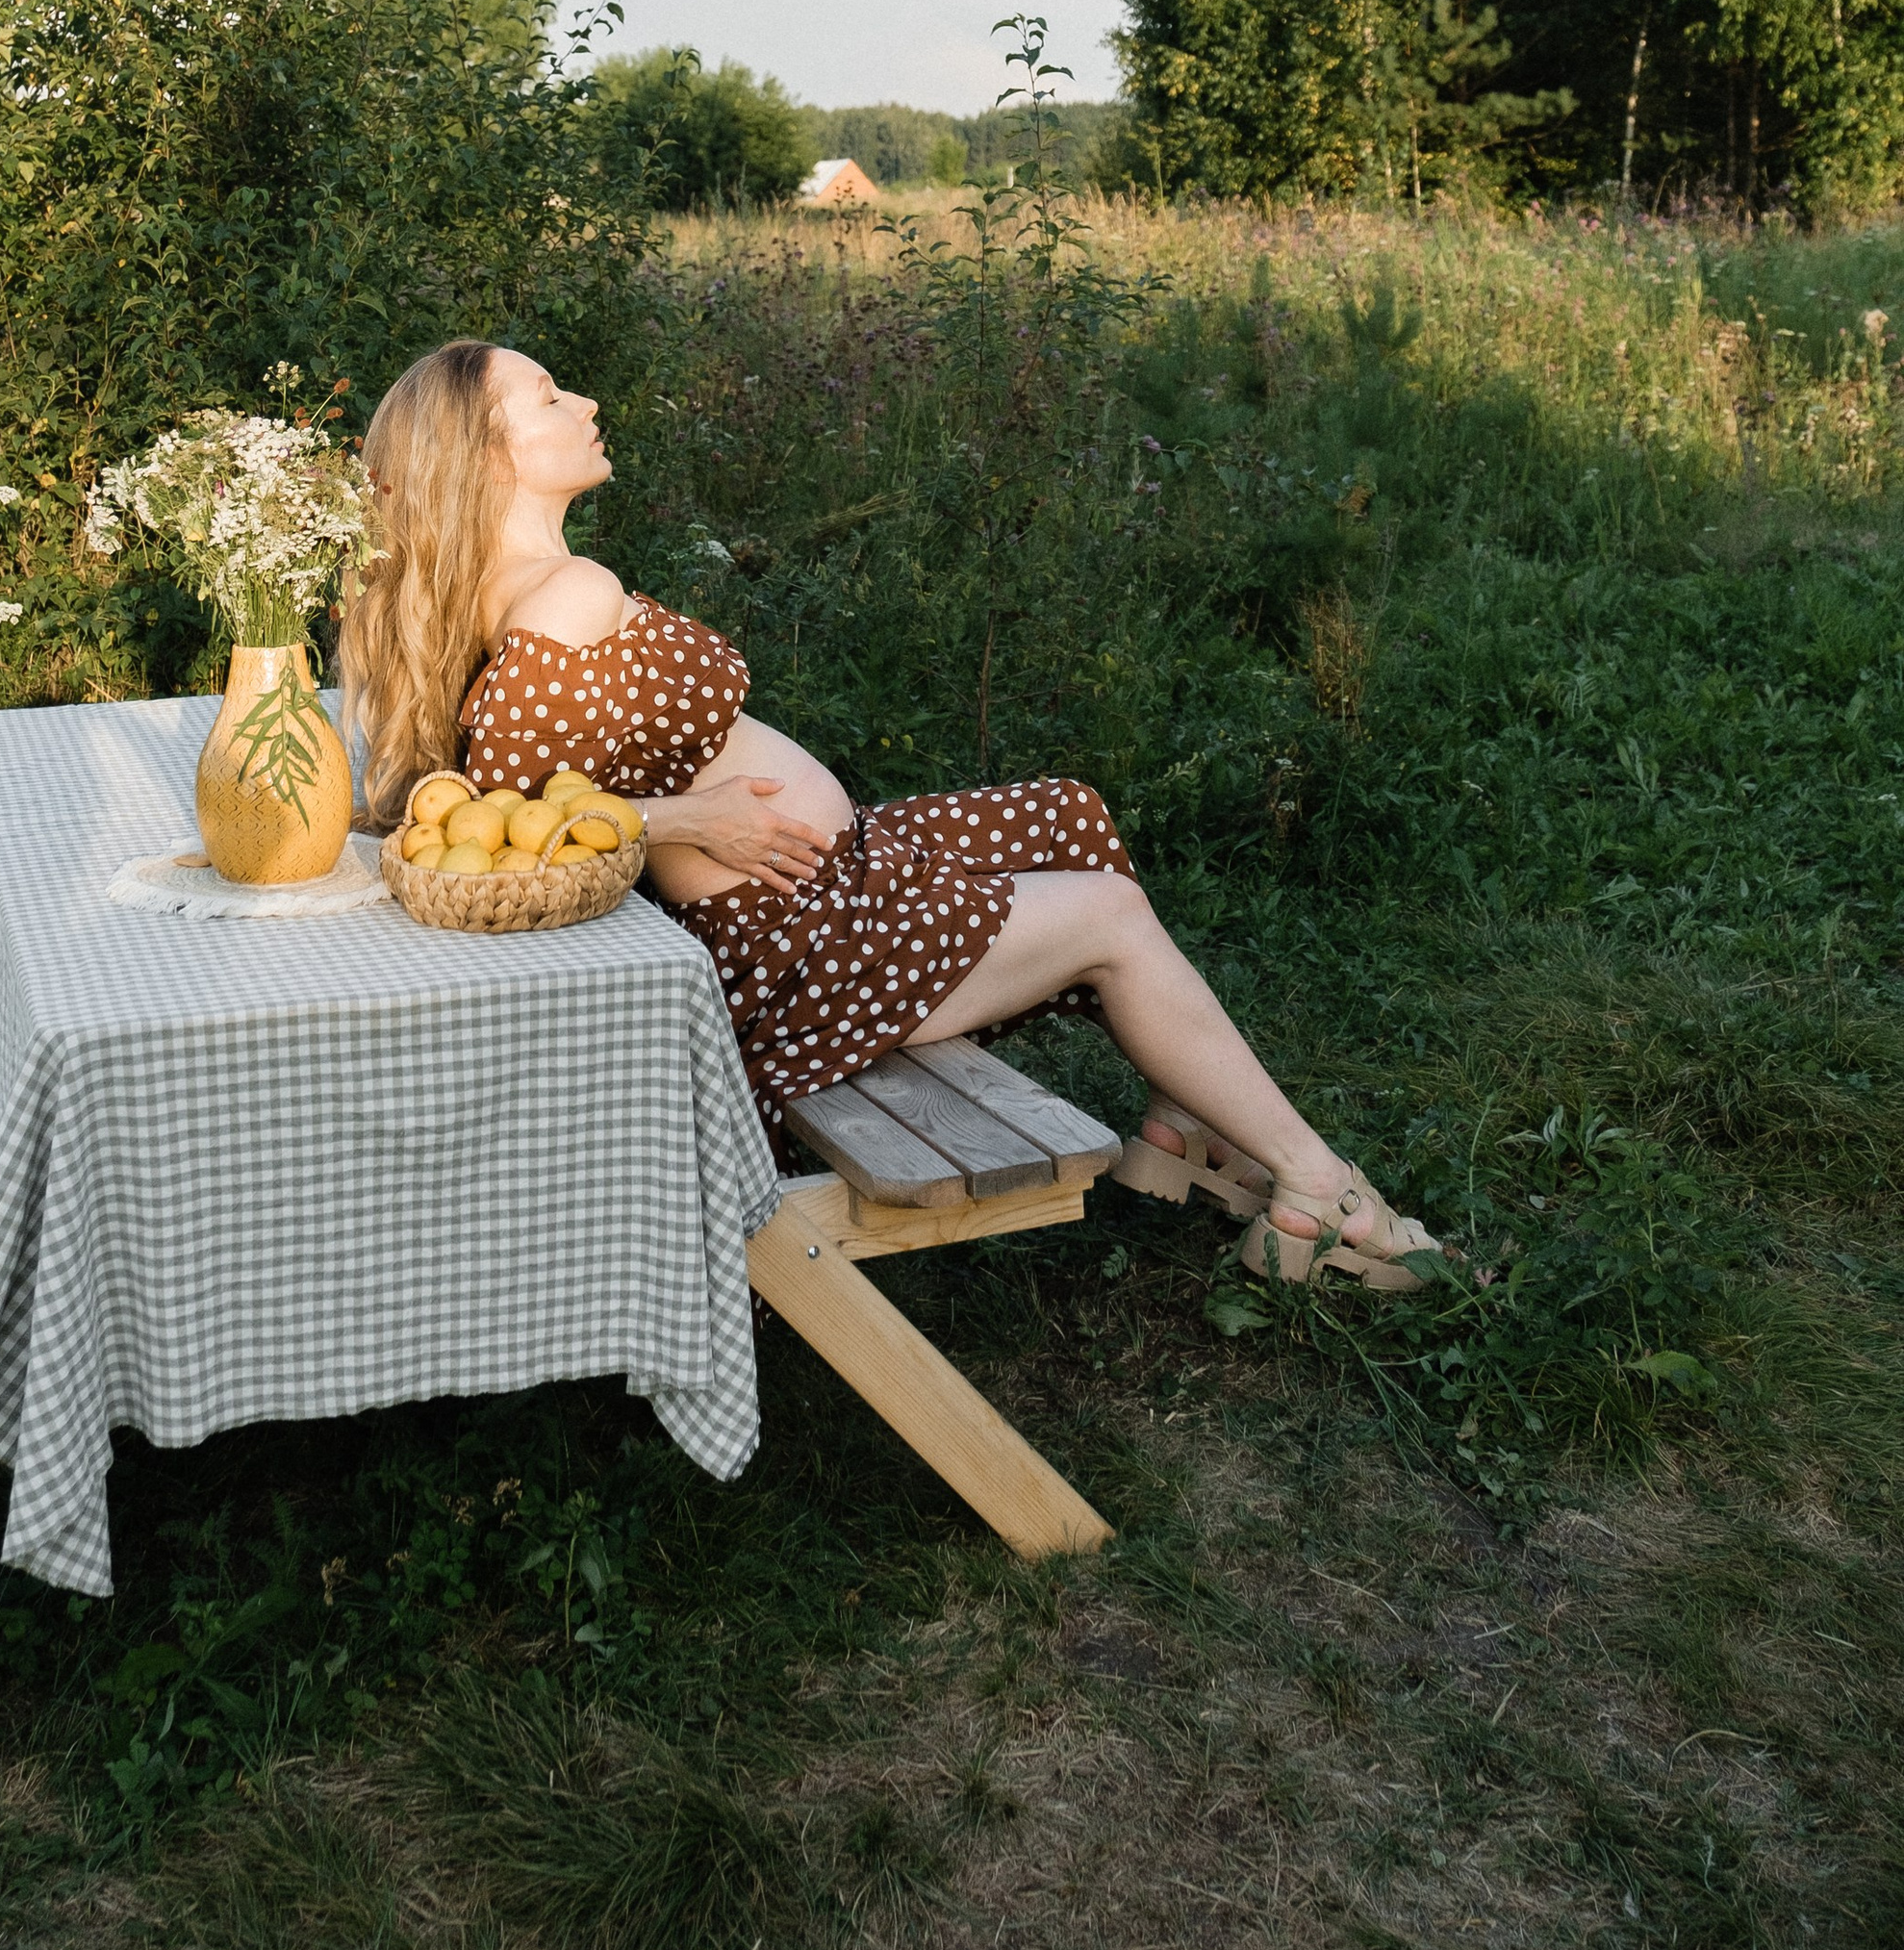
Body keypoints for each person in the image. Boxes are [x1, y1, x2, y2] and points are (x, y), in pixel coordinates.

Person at [338, 338, 1441, 1291]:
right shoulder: (564, 602)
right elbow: (505, 828)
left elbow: (508, 802)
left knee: (1063, 813)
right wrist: (691, 821)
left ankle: (1178, 1125)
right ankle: (1316, 1190)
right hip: (794, 942)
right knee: (1107, 914)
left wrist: (695, 816)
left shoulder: (522, 586)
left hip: (824, 880)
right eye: (547, 398)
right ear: (487, 456)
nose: (584, 404)